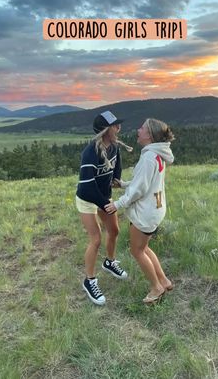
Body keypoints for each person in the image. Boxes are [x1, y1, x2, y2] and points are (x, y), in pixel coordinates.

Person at [105, 118, 174, 304]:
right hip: (156, 209)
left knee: (137, 251)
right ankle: (164, 281)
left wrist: (117, 204)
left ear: (150, 135)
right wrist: (124, 184)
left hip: (146, 213)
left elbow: (139, 190)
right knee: (144, 247)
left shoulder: (149, 158)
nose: (138, 130)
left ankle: (156, 288)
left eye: (142, 128)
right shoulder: (156, 155)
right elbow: (143, 183)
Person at [76, 110, 132, 306]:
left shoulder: (114, 147)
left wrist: (121, 183)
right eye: (115, 125)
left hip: (103, 197)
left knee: (115, 231)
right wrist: (106, 205)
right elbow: (87, 187)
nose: (119, 127)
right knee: (96, 239)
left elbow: (116, 172)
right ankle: (89, 280)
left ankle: (109, 262)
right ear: (105, 130)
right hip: (87, 199)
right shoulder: (90, 152)